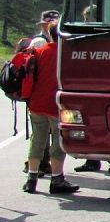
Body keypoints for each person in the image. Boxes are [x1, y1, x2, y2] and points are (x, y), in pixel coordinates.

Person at [22, 18, 79, 194]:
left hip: (36, 103)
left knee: (37, 140)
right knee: (58, 141)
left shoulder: (39, 52)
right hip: (56, 104)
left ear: (49, 33)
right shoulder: (66, 53)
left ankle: (31, 179)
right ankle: (57, 179)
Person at [74, 5, 110, 174]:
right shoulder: (86, 36)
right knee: (93, 124)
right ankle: (92, 161)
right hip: (92, 86)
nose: (85, 21)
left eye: (88, 18)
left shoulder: (109, 34)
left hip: (108, 86)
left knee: (109, 124)